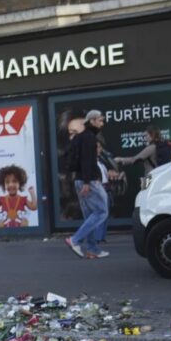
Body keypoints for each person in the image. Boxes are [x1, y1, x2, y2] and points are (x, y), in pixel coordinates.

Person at [65, 110, 109, 259]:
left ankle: (92, 249)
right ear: (92, 121)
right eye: (100, 120)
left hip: (80, 180)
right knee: (102, 212)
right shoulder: (89, 138)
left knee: (90, 215)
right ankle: (75, 240)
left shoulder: (79, 138)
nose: (102, 123)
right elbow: (87, 161)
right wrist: (87, 182)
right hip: (88, 181)